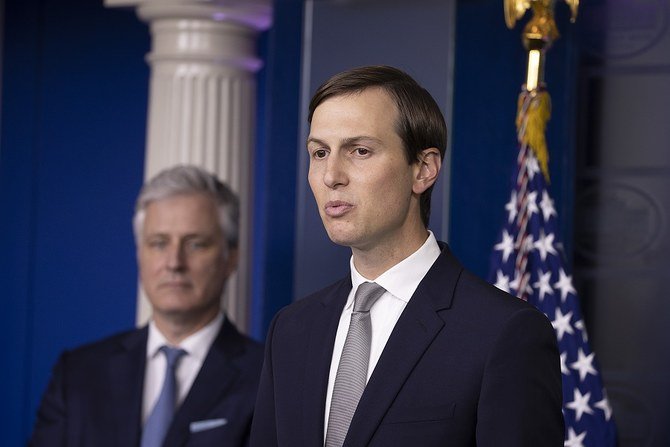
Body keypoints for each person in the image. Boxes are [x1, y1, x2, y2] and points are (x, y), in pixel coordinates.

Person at [250, 65, 563, 446]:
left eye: (359, 151)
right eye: (319, 153)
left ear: (424, 169)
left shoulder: (505, 333)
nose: (331, 174)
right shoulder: (291, 330)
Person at [30, 165, 263, 447]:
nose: (174, 263)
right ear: (140, 254)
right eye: (158, 243)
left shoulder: (267, 378)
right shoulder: (77, 374)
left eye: (195, 244)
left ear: (231, 258)